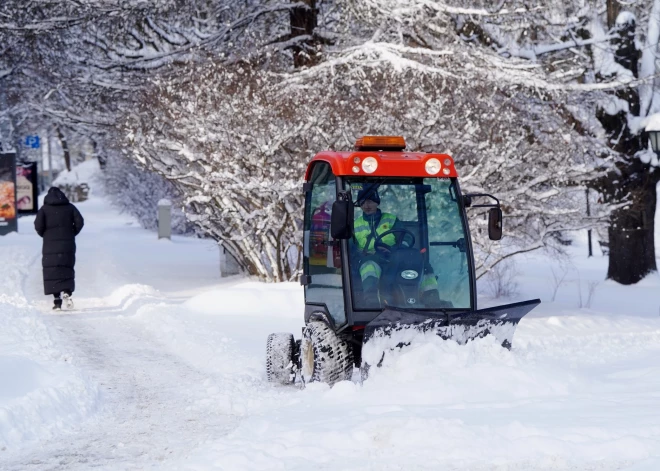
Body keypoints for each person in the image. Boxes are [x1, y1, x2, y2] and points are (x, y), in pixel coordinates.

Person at [353, 185, 440, 306]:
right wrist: (359, 257)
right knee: (369, 267)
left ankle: (433, 301)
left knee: (422, 263)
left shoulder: (390, 219)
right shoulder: (355, 225)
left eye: (370, 201)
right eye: (363, 202)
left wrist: (399, 248)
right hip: (370, 257)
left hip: (393, 256)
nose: (366, 205)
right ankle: (372, 304)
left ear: (377, 202)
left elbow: (406, 237)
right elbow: (352, 248)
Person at [34, 187, 84, 310]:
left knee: (52, 270)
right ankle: (67, 291)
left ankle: (57, 300)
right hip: (68, 244)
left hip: (50, 244)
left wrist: (45, 235)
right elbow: (80, 222)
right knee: (66, 267)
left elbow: (38, 225)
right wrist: (71, 233)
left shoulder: (44, 209)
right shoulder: (70, 207)